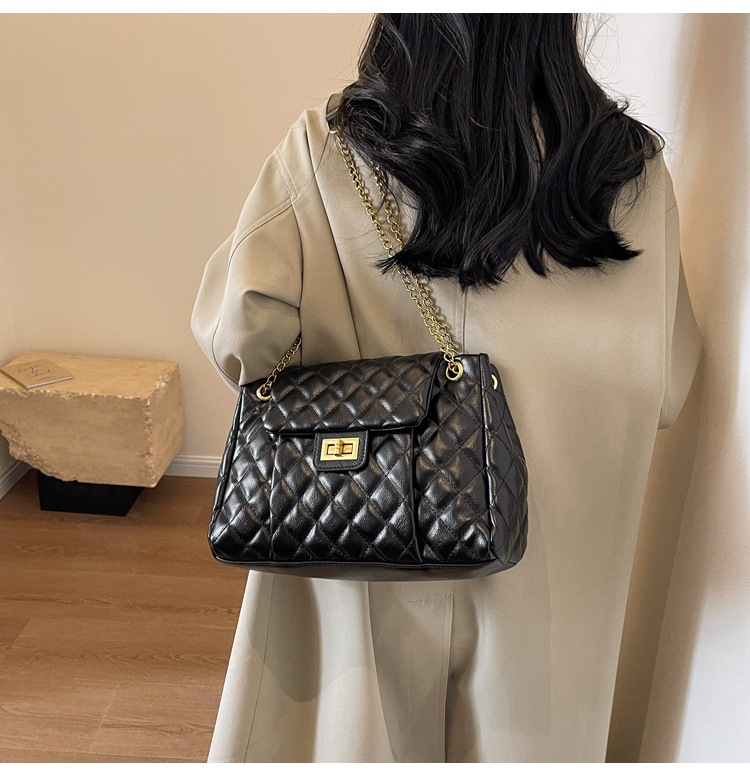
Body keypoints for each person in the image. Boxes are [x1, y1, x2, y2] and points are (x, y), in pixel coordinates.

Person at [190, 13, 702, 763]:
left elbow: (241, 339)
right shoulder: (632, 173)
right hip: (551, 594)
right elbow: (669, 385)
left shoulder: (330, 149)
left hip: (360, 535)